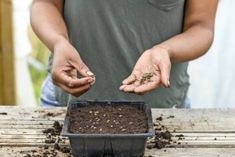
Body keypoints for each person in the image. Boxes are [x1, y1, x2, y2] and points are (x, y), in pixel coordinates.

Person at [31, 0, 217, 108]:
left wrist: (165, 50)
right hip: (67, 109)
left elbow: (201, 26)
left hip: (164, 115)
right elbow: (45, 3)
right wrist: (58, 42)